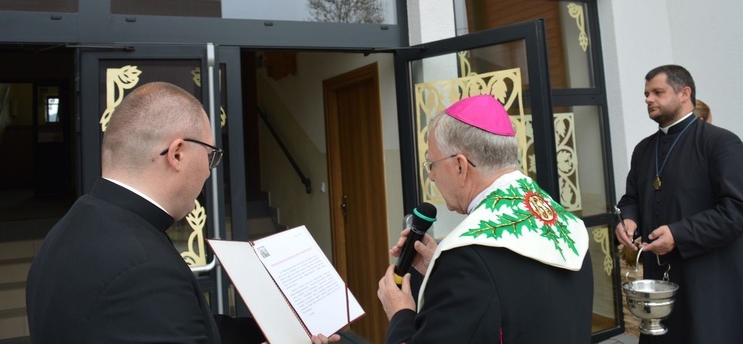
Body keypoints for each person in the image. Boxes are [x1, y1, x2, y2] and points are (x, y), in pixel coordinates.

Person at [26, 82, 338, 344]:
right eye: (211, 156)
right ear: (177, 153)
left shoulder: (74, 226)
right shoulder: (142, 270)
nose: (209, 172)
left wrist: (277, 331)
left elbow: (182, 323)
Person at [377, 94, 593, 343]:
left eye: (431, 165)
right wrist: (439, 265)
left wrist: (400, 314)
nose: (432, 177)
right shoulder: (566, 223)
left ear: (460, 165)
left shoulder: (467, 258)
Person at [616, 65, 743, 343]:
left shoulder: (721, 143)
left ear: (684, 93)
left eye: (657, 92)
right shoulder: (643, 149)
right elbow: (632, 198)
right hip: (660, 278)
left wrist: (679, 234)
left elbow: (739, 209)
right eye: (646, 94)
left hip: (710, 278)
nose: (648, 99)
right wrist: (629, 219)